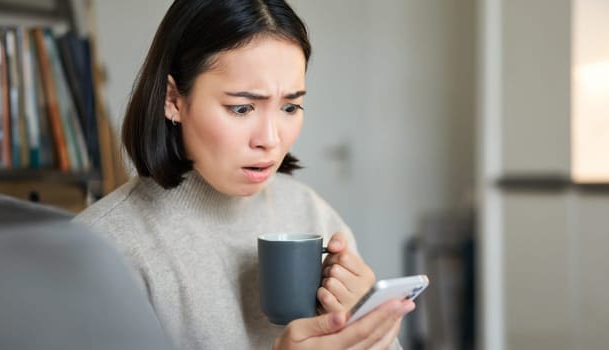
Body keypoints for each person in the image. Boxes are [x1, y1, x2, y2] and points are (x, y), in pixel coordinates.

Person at [73, 0, 414, 349]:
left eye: (290, 107)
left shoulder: (311, 214)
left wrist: (367, 325)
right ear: (173, 99)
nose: (270, 139)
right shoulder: (102, 249)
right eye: (242, 108)